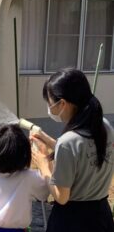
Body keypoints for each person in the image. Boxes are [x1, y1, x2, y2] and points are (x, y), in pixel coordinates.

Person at [31, 68, 114, 232]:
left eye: (49, 102)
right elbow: (83, 152)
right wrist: (49, 141)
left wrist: (44, 167)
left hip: (73, 221)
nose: (49, 107)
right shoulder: (104, 126)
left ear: (62, 103)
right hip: (101, 217)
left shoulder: (68, 142)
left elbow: (62, 197)